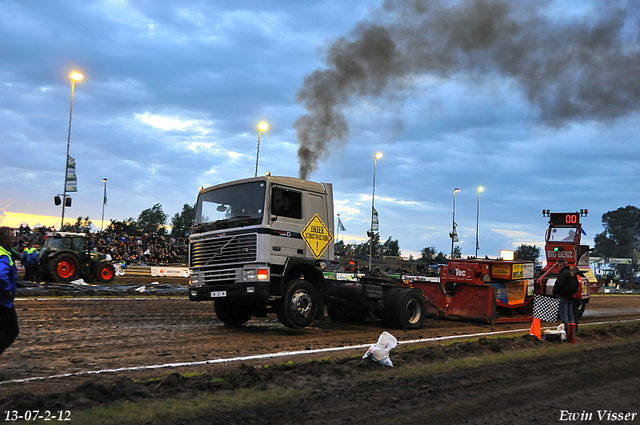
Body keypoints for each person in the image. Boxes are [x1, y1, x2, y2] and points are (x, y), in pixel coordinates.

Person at [0, 227, 19, 356]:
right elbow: (1, 274)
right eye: (12, 238)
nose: (14, 240)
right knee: (12, 331)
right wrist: (7, 290)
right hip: (3, 301)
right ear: (6, 240)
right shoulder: (4, 255)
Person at [553, 258, 578, 338]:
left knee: (564, 315)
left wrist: (556, 292)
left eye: (558, 265)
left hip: (563, 296)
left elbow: (559, 284)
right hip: (570, 296)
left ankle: (567, 332)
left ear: (561, 264)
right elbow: (577, 284)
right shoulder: (572, 273)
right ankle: (573, 331)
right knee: (570, 314)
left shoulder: (563, 273)